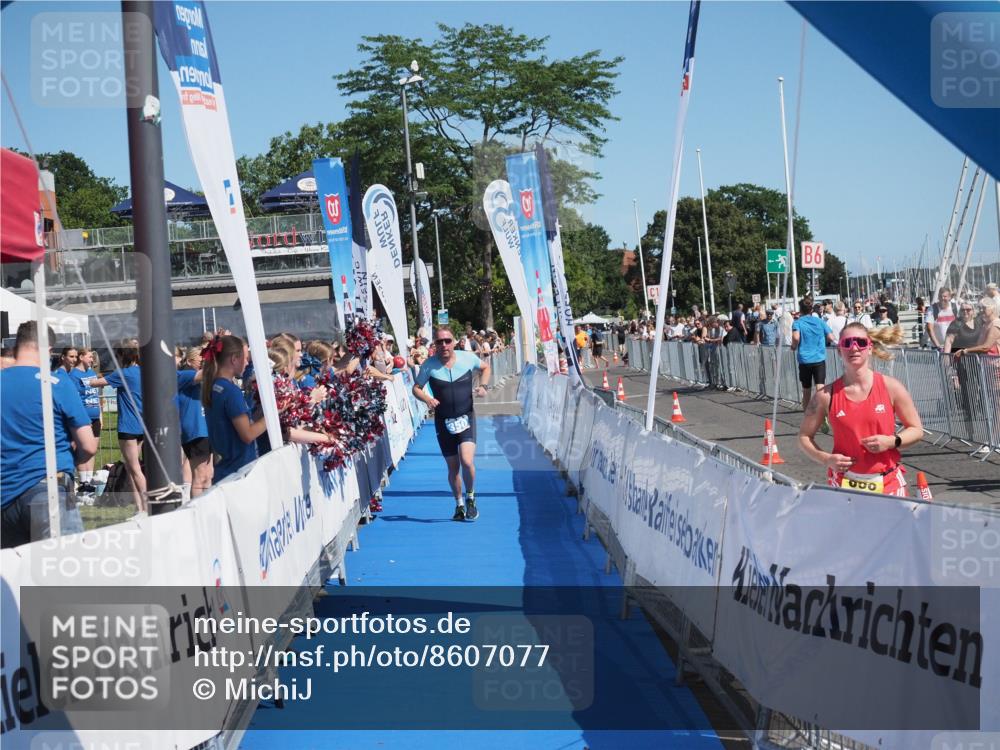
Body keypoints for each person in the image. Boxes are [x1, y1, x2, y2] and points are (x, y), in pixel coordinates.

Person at [798, 324, 922, 497]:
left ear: (869, 348)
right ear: (839, 351)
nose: (854, 348)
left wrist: (891, 441)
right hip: (844, 483)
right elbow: (804, 436)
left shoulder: (891, 387)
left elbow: (916, 429)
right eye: (847, 343)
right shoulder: (826, 395)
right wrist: (826, 459)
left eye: (860, 342)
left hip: (888, 483)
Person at [2, 322, 97, 547]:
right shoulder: (56, 383)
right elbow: (89, 445)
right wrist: (72, 461)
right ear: (47, 349)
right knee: (64, 573)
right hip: (49, 490)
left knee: (12, 578)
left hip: (4, 496)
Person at [412, 326, 491, 522]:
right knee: (453, 467)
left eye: (448, 341)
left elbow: (485, 368)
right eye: (440, 342)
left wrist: (483, 386)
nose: (444, 345)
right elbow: (416, 388)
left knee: (467, 460)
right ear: (435, 345)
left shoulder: (467, 358)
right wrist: (427, 399)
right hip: (443, 421)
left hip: (466, 418)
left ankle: (471, 497)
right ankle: (459, 504)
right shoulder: (429, 365)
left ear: (454, 342)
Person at [86, 343, 146, 512]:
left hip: (128, 427)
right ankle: (140, 508)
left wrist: (85, 376)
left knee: (134, 470)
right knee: (131, 468)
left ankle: (146, 507)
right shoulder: (143, 372)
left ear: (123, 356)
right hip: (141, 427)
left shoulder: (124, 373)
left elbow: (94, 383)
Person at [202, 335, 268, 483]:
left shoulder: (214, 387)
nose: (246, 362)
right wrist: (272, 415)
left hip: (227, 471)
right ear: (234, 359)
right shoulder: (230, 391)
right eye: (244, 358)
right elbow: (247, 435)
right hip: (239, 473)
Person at [178, 348, 213, 497]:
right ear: (189, 361)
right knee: (199, 476)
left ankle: (206, 508)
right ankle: (196, 511)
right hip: (195, 431)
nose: (203, 363)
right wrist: (217, 353)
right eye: (201, 360)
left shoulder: (199, 378)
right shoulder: (184, 375)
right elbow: (207, 373)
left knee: (208, 474)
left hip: (205, 429)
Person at [791, 297, 835, 413]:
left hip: (805, 360)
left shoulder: (797, 322)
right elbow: (831, 337)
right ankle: (823, 411)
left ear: (800, 310)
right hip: (819, 359)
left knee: (806, 389)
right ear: (811, 310)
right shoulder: (820, 321)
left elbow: (796, 337)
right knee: (820, 387)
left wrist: (794, 346)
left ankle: (807, 415)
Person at [69, 347, 102, 495]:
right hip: (84, 419)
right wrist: (83, 418)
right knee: (83, 451)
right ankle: (83, 483)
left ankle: (89, 483)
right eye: (89, 357)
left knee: (92, 450)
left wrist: (100, 415)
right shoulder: (74, 375)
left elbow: (96, 395)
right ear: (81, 357)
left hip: (95, 418)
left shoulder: (91, 373)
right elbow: (74, 399)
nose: (92, 359)